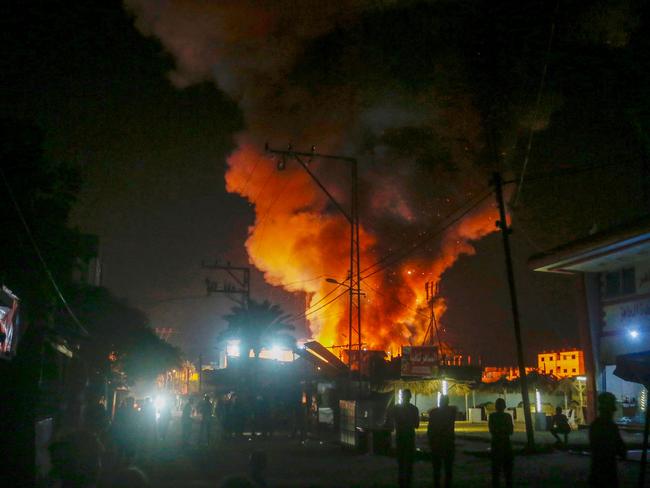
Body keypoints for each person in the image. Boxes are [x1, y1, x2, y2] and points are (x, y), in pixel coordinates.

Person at [589, 392, 626, 487]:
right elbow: (620, 447)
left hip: (597, 470)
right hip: (608, 470)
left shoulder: (595, 425)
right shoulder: (610, 427)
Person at [389, 389, 420, 488]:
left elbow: (389, 419)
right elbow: (417, 425)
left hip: (400, 435)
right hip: (410, 436)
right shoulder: (414, 409)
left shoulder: (396, 408)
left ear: (401, 396)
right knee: (409, 460)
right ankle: (408, 481)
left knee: (401, 460)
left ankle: (401, 481)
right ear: (410, 397)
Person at [427, 394, 456, 488]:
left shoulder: (434, 413)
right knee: (448, 469)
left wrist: (430, 441)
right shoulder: (452, 412)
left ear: (439, 402)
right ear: (447, 402)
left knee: (437, 469)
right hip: (448, 442)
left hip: (436, 442)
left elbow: (430, 428)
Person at [488, 398, 513, 488]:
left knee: (496, 470)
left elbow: (492, 430)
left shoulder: (492, 416)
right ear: (504, 406)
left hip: (496, 444)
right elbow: (510, 430)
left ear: (495, 406)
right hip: (506, 444)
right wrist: (503, 430)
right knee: (507, 470)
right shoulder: (507, 416)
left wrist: (498, 431)